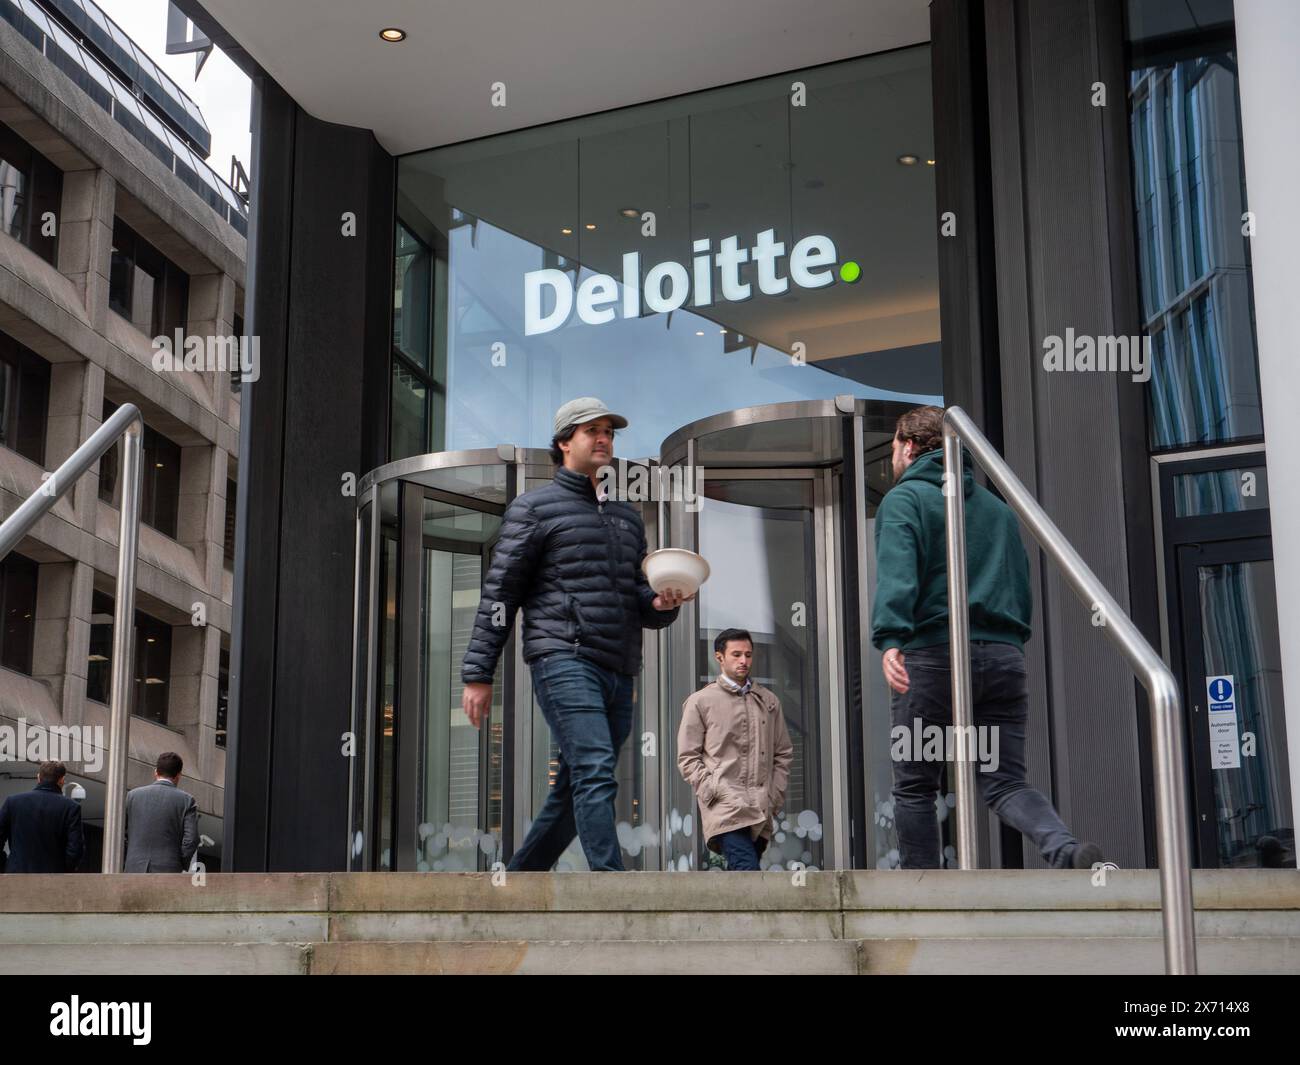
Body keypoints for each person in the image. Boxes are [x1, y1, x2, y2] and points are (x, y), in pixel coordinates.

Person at [871, 405, 1109, 870]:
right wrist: (1005, 640)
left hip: (933, 656)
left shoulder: (905, 500)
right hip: (1002, 658)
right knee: (1004, 782)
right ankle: (1064, 849)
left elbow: (898, 574)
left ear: (908, 445)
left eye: (895, 447)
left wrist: (891, 638)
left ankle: (928, 897)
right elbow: (1017, 584)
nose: (893, 458)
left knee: (916, 783)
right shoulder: (997, 509)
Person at [461, 398, 690, 871]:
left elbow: (636, 599)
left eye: (609, 431)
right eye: (592, 431)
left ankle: (521, 882)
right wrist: (478, 674)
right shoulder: (534, 510)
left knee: (576, 785)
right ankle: (612, 883)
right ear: (565, 442)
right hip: (563, 657)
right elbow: (500, 594)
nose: (604, 438)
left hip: (619, 668)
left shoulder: (626, 519)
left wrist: (661, 604)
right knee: (594, 768)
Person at [678, 628, 793, 870]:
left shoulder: (769, 701)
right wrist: (712, 789)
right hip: (726, 806)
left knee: (743, 879)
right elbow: (688, 756)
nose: (744, 661)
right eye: (736, 654)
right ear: (719, 657)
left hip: (761, 807)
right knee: (747, 870)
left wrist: (775, 796)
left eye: (748, 655)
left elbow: (783, 753)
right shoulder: (700, 701)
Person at [0, 761, 84, 873]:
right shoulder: (71, 807)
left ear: (38, 777)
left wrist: (5, 865)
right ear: (62, 780)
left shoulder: (13, 802)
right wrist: (64, 871)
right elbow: (75, 849)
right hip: (53, 879)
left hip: (16, 874)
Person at [123, 751, 200, 873]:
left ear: (156, 772)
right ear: (178, 775)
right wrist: (179, 862)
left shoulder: (132, 796)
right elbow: (191, 840)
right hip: (169, 869)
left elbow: (122, 833)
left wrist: (132, 855)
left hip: (134, 868)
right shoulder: (187, 800)